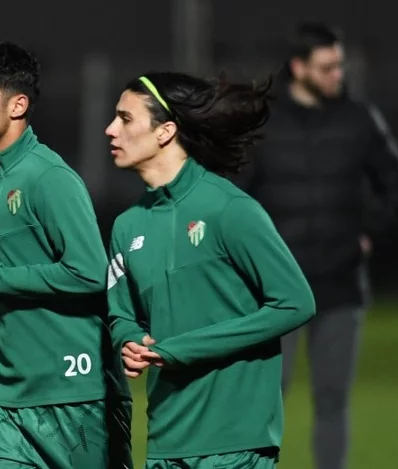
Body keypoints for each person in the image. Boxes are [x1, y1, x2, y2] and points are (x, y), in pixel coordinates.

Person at [105, 71, 317, 469]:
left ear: (165, 131)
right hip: (165, 441)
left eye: (125, 118)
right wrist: (130, 340)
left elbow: (295, 303)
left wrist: (183, 349)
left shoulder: (230, 209)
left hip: (235, 444)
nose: (110, 129)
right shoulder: (126, 226)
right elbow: (120, 314)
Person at [0, 41, 134, 469]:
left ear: (18, 105)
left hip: (76, 392)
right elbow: (8, 263)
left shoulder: (50, 177)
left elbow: (89, 273)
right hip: (8, 397)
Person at [233, 23, 398, 469]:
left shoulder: (359, 119)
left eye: (339, 65)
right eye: (327, 67)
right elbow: (233, 197)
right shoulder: (263, 123)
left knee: (333, 399)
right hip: (276, 287)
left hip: (340, 283)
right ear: (299, 68)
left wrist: (368, 234)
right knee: (266, 398)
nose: (338, 74)